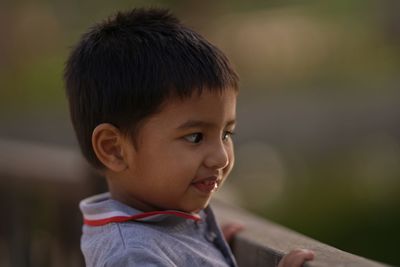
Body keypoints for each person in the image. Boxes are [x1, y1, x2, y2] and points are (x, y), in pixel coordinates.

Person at [64, 7, 314, 267]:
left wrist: (208, 250)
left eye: (226, 134)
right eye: (195, 137)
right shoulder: (133, 256)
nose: (220, 157)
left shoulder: (165, 223)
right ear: (114, 149)